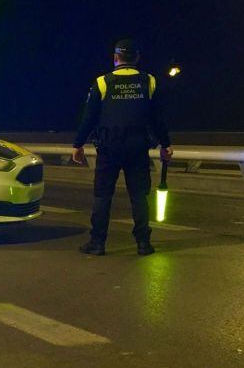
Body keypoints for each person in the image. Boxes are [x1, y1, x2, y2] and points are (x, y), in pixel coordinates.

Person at [71, 39, 173, 256]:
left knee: (102, 195)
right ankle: (143, 243)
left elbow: (89, 119)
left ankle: (97, 242)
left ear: (115, 58)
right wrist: (166, 144)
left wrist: (78, 145)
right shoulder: (149, 81)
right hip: (138, 147)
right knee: (139, 195)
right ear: (137, 58)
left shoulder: (102, 82)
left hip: (109, 148)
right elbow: (158, 119)